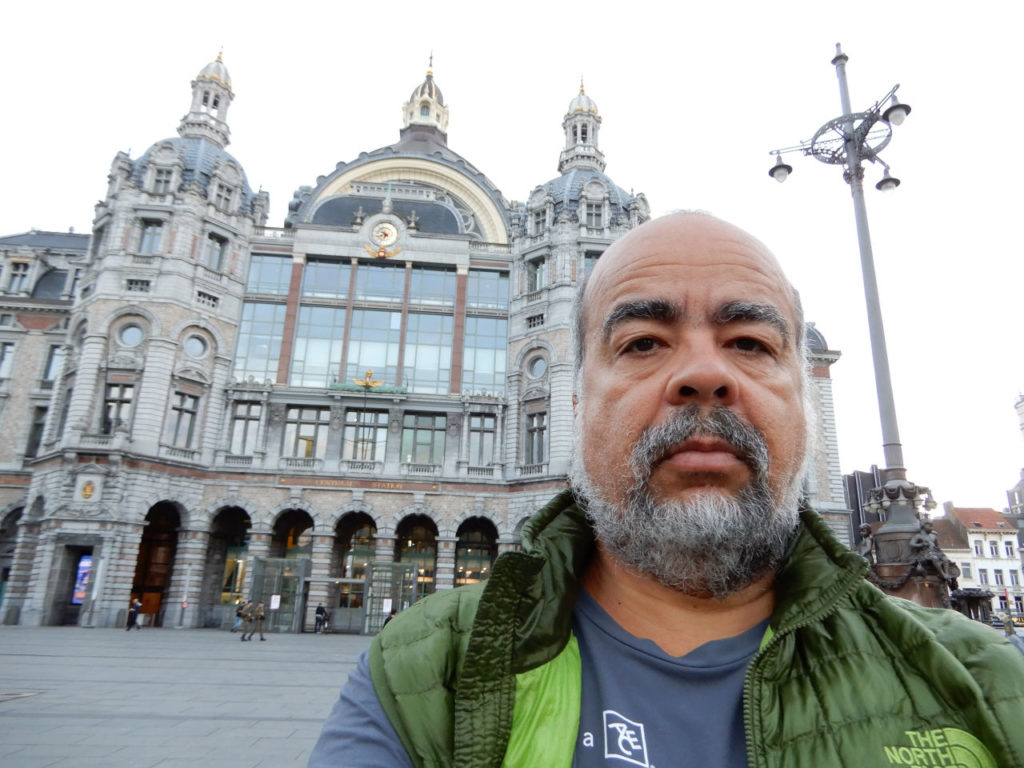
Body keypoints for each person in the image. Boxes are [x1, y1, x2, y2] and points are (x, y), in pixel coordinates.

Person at [309, 212, 1024, 767]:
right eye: (643, 342)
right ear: (576, 408)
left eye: (750, 343)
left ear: (804, 405)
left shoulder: (988, 682)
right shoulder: (426, 673)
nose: (704, 374)